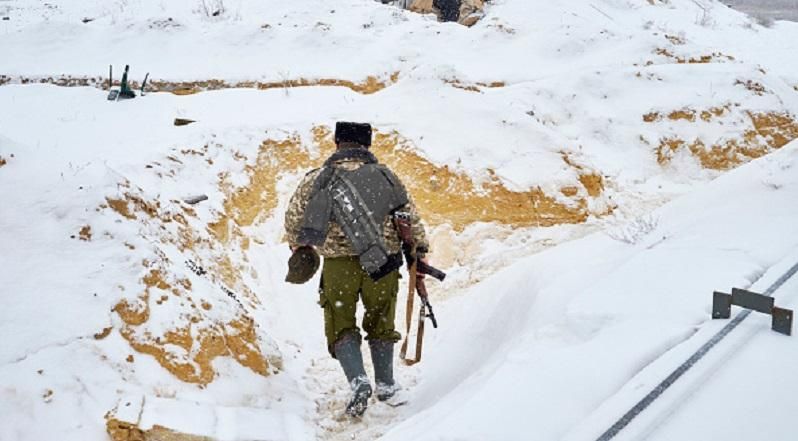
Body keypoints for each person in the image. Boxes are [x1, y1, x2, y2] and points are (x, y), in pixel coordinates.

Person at [284, 122, 430, 417]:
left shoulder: (318, 179)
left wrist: (299, 246)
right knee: (381, 320)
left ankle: (358, 382)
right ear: (368, 145)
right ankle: (387, 385)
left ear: (338, 142)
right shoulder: (387, 177)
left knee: (340, 323)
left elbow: (293, 221)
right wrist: (420, 256)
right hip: (383, 265)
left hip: (338, 267)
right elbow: (411, 220)